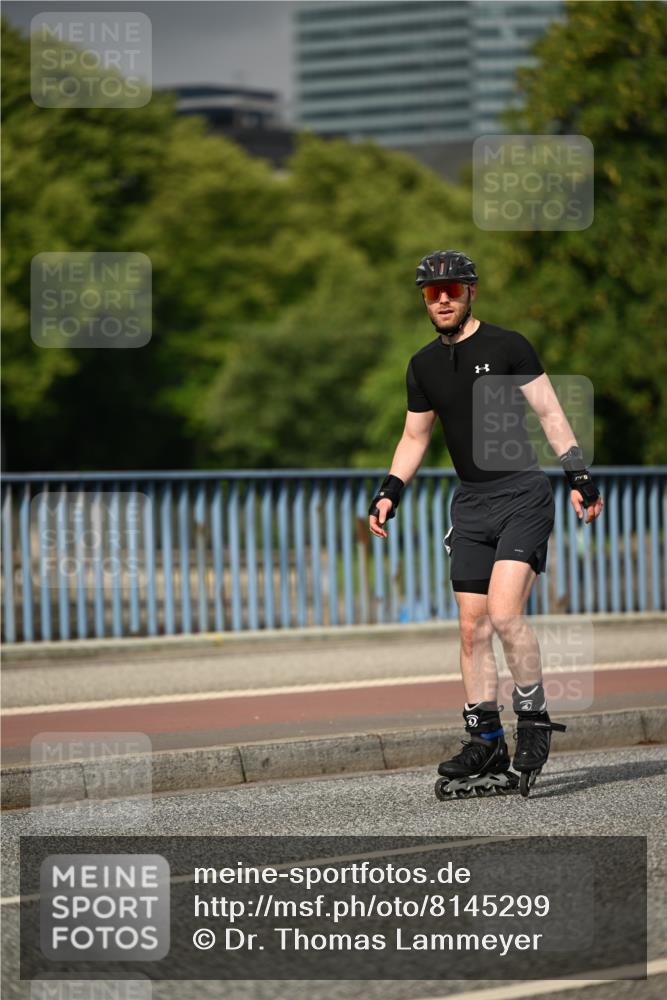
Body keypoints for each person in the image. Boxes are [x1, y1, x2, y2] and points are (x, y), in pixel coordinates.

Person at [368, 250, 604, 798]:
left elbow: (548, 411)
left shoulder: (507, 345)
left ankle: (535, 720)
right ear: (424, 300)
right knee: (470, 628)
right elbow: (415, 438)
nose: (443, 299)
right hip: (470, 504)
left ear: (471, 290)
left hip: (522, 494)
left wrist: (579, 476)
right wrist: (389, 492)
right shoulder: (423, 365)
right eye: (432, 292)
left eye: (452, 289)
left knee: (502, 614)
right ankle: (486, 738)